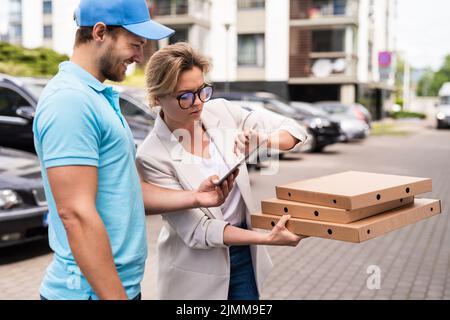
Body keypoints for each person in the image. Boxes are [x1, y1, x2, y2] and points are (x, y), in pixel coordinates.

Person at [33, 0, 236, 300]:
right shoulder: (70, 101)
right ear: (100, 32)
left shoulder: (97, 97)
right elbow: (74, 213)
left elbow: (123, 188)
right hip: (90, 293)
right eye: (134, 44)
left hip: (112, 289)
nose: (140, 57)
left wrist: (195, 197)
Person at [136, 42, 309, 300]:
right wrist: (268, 239)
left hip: (244, 256)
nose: (198, 103)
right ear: (157, 97)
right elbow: (198, 231)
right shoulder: (152, 155)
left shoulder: (222, 111)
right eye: (185, 96)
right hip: (195, 273)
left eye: (202, 90)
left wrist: (264, 140)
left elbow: (295, 130)